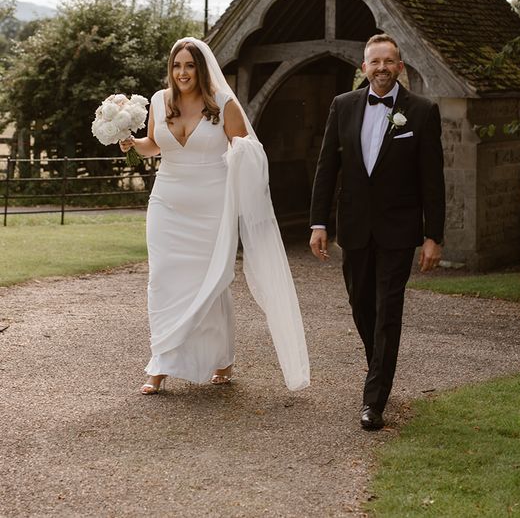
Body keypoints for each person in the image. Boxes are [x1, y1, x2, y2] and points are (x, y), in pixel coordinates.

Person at [120, 37, 310, 396]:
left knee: (211, 283)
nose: (182, 72)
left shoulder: (224, 104)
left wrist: (242, 154)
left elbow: (245, 148)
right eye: (177, 66)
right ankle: (160, 363)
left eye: (189, 65)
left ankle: (223, 359)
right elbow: (154, 145)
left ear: (201, 69)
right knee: (162, 281)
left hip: (210, 206)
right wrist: (131, 144)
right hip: (167, 202)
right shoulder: (160, 101)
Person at [309, 33, 445, 430]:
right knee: (360, 305)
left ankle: (374, 401)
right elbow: (325, 168)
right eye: (375, 61)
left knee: (388, 310)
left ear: (400, 67)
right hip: (353, 227)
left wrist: (432, 235)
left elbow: (432, 180)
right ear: (363, 67)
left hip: (399, 230)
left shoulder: (421, 111)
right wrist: (318, 222)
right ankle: (380, 370)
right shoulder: (343, 106)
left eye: (389, 61)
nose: (382, 67)